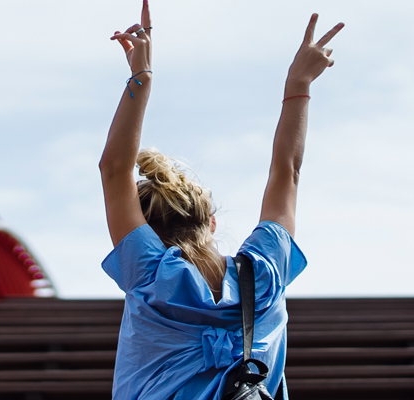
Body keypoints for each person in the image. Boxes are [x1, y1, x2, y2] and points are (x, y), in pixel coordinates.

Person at [97, 1, 342, 399]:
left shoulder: (149, 275)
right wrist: (299, 84)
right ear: (209, 221)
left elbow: (114, 168)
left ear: (147, 234)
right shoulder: (266, 272)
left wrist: (141, 77)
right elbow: (287, 172)